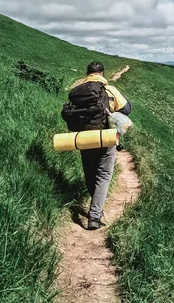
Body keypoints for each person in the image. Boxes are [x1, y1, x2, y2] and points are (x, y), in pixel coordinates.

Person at [72, 61, 132, 230]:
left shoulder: (77, 91)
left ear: (87, 73)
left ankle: (95, 206)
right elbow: (126, 109)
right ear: (103, 74)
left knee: (90, 173)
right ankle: (95, 216)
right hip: (105, 137)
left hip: (83, 138)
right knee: (104, 175)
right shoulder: (109, 90)